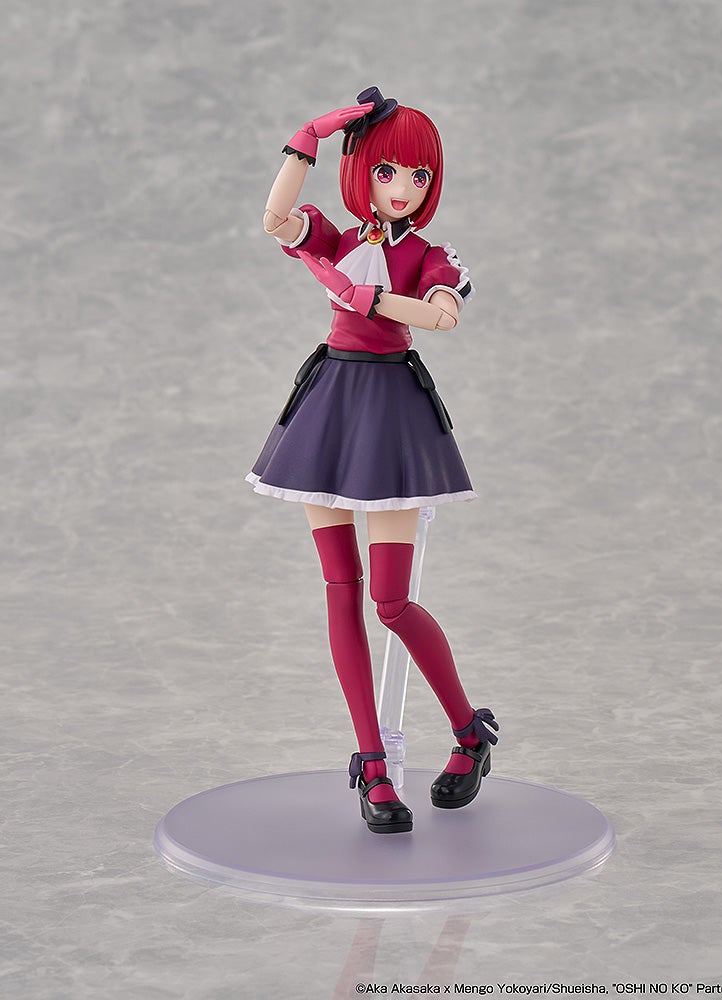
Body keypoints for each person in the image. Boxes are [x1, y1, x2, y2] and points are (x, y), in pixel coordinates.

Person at [248, 87, 498, 834]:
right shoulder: (333, 236)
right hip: (329, 408)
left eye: (418, 176)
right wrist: (306, 139)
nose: (403, 188)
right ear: (363, 172)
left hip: (392, 416)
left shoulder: (428, 254)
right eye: (388, 171)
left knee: (391, 601)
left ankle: (469, 731)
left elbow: (444, 315)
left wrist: (371, 300)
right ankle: (372, 764)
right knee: (340, 588)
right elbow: (275, 220)